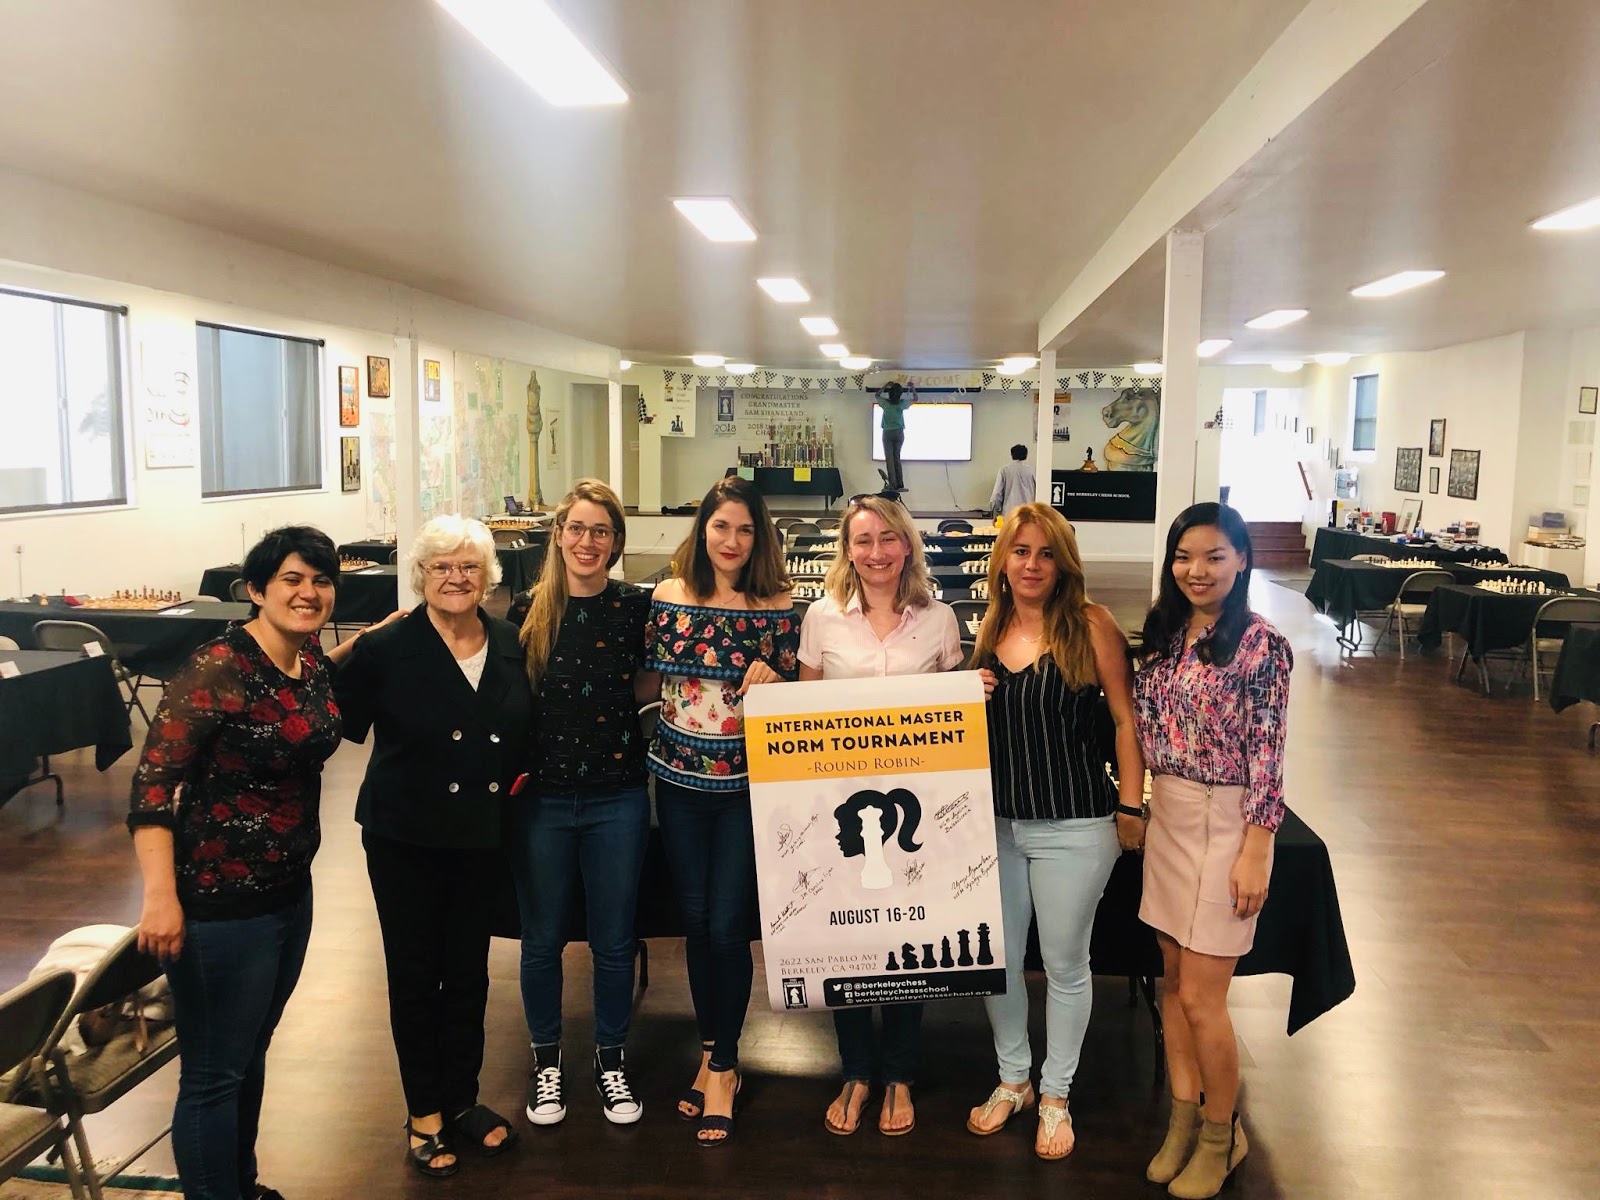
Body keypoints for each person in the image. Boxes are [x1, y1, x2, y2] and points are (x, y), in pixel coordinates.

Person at [128, 526, 344, 1200]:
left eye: (321, 581)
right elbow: (152, 788)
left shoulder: (309, 659)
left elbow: (295, 708)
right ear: (255, 589)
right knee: (214, 1074)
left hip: (288, 892)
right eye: (291, 579)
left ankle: (241, 1187)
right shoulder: (217, 666)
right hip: (219, 904)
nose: (308, 593)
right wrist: (160, 898)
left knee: (248, 1054)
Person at [332, 515, 530, 1178]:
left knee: (469, 973)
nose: (456, 577)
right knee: (415, 975)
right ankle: (424, 1111)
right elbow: (329, 715)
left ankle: (462, 1098)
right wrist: (351, 645)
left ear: (488, 576)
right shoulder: (389, 646)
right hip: (404, 836)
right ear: (420, 575)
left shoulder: (509, 643)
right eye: (442, 566)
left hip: (480, 835)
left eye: (469, 566)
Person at [963, 503, 1146, 1160]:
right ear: (1002, 561)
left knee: (1066, 964)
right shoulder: (989, 628)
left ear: (1063, 563)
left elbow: (1125, 722)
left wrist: (1131, 807)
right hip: (997, 824)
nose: (1032, 565)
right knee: (998, 961)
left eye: (1046, 553)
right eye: (1021, 552)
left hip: (1075, 822)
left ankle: (1056, 1094)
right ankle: (1013, 1079)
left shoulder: (1091, 625)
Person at [1132, 502, 1292, 1199]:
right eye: (1184, 556)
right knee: (1172, 985)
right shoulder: (1166, 635)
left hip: (1225, 820)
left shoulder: (1262, 645)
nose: (1197, 570)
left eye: (1214, 556)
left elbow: (1270, 754)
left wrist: (1258, 846)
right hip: (1168, 813)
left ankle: (1223, 1136)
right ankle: (1184, 1118)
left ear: (1242, 560)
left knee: (1204, 998)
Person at [796, 495, 966, 1137]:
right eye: (863, 540)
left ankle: (899, 1074)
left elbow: (954, 715)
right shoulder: (821, 618)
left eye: (888, 539)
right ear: (847, 549)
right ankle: (856, 1071)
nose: (876, 553)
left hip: (914, 811)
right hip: (841, 809)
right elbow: (804, 715)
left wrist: (969, 692)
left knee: (907, 939)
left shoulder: (940, 619)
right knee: (847, 939)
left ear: (907, 546)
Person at [645, 476, 797, 1146]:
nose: (732, 541)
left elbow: (799, 692)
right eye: (720, 526)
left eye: (745, 529)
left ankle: (728, 1066)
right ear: (702, 529)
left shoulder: (779, 604)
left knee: (730, 926)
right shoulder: (668, 596)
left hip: (745, 786)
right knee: (697, 921)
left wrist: (777, 678)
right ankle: (710, 1054)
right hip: (677, 781)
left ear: (759, 537)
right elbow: (647, 679)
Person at [510, 480, 656, 1128]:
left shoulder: (636, 607)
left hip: (616, 797)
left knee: (614, 942)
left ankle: (610, 1058)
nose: (587, 541)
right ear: (559, 534)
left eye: (600, 531)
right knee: (541, 942)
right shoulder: (528, 610)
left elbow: (652, 684)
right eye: (577, 528)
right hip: (542, 801)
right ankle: (547, 1061)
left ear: (616, 542)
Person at [877, 380, 914, 492]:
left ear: (890, 393)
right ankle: (900, 483)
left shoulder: (886, 404)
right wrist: (912, 387)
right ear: (900, 394)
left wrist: (885, 385)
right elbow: (916, 398)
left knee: (890, 460)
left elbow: (877, 395)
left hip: (888, 433)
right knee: (897, 458)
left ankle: (893, 484)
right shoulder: (901, 404)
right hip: (899, 433)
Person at [988, 444, 1036, 519]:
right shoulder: (1032, 471)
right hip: (1028, 513)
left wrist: (995, 511)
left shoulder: (1004, 470)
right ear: (1026, 455)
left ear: (1012, 455)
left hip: (1009, 514)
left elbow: (997, 494)